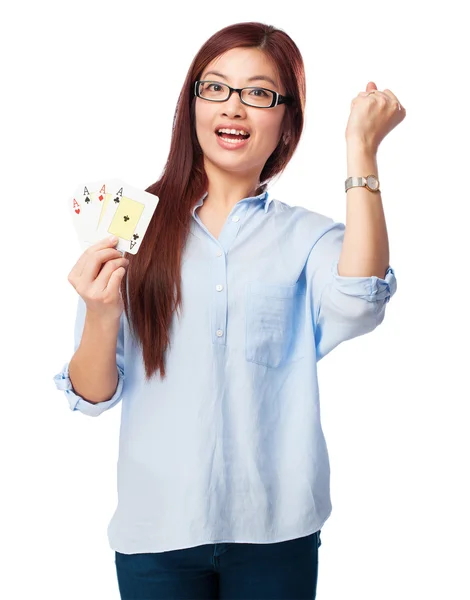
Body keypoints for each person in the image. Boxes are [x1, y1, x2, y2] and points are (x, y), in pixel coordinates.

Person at [54, 20, 403, 600]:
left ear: (287, 120)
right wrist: (98, 311)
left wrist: (361, 148)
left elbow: (362, 298)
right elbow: (91, 396)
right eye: (214, 87)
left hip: (276, 531)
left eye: (258, 92)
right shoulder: (131, 221)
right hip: (155, 532)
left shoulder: (308, 238)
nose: (233, 107)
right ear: (191, 105)